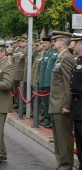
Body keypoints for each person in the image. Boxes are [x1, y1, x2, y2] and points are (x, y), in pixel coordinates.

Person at [48, 31, 75, 170]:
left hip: (61, 105)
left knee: (64, 138)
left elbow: (67, 84)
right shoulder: (60, 58)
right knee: (58, 138)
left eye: (55, 40)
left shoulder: (67, 58)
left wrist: (66, 105)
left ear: (63, 42)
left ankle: (66, 166)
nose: (53, 42)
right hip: (55, 103)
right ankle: (61, 164)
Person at [69, 33, 82, 170]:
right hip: (77, 106)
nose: (74, 45)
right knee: (78, 140)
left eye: (76, 43)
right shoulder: (79, 60)